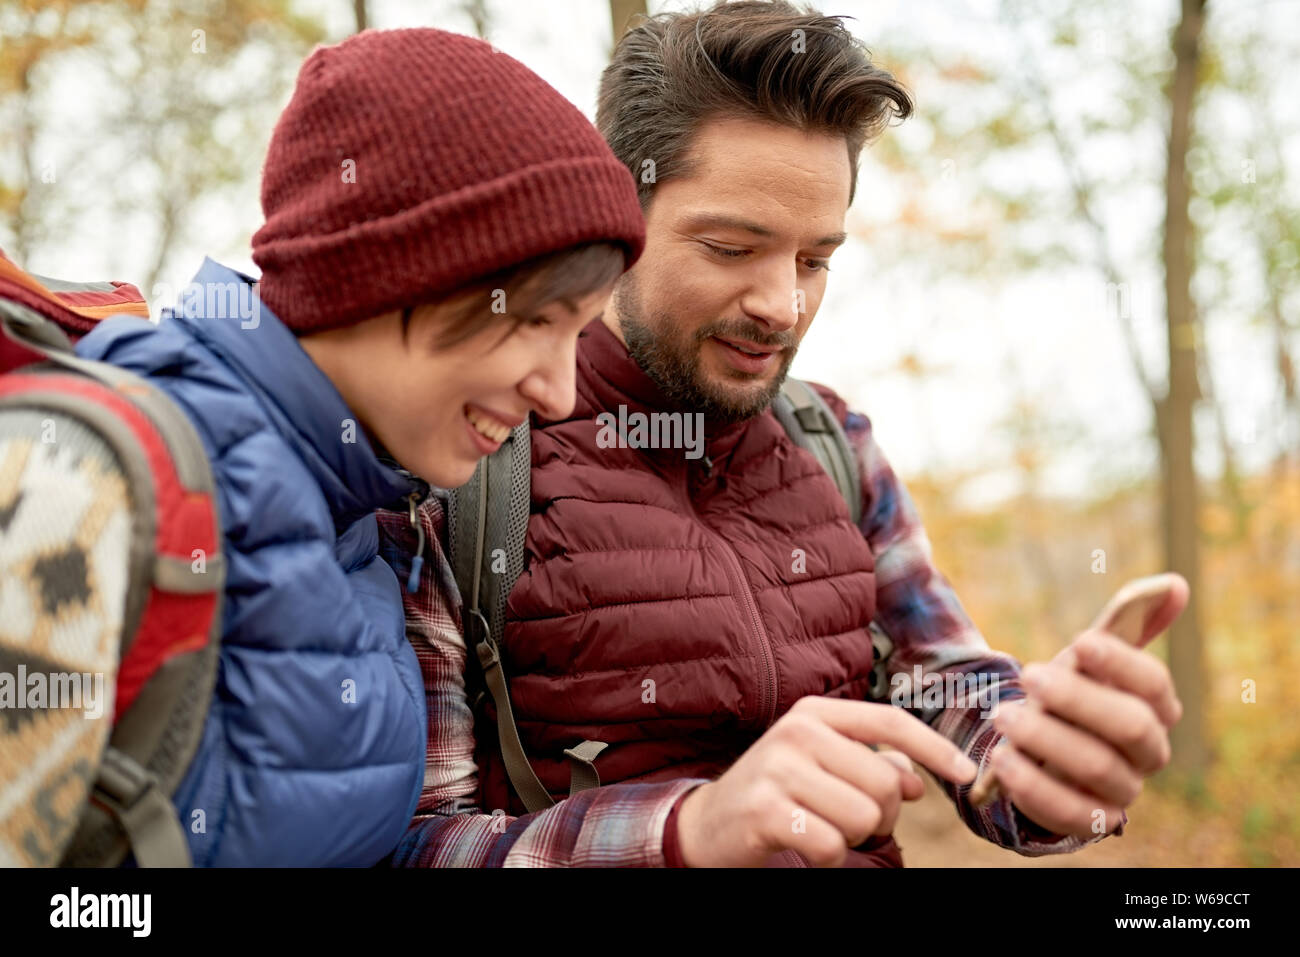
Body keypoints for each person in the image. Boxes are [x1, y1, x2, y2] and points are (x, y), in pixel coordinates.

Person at [378, 0, 1184, 868]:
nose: (782, 306)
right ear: (614, 217)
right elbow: (415, 846)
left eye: (815, 259)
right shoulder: (465, 463)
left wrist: (1042, 762)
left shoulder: (834, 441)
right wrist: (692, 829)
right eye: (730, 248)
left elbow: (951, 687)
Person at [72, 27, 645, 866]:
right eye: (534, 322)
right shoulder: (110, 476)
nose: (556, 393)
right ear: (386, 272)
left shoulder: (368, 521)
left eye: (581, 333)